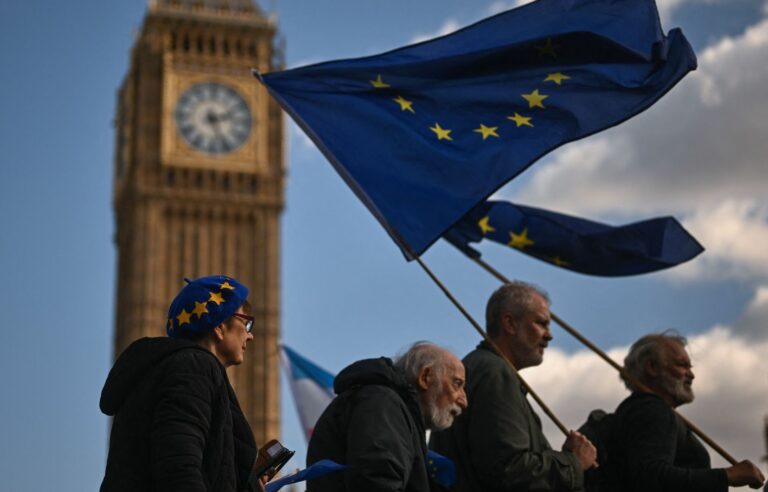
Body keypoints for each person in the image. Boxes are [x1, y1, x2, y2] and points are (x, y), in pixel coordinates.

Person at [100, 275, 265, 491]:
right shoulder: (194, 368)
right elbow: (179, 466)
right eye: (246, 323)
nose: (250, 335)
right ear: (219, 327)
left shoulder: (177, 369)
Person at [430, 281, 597, 491]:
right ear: (509, 323)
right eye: (541, 323)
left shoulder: (480, 369)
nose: (549, 335)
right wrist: (573, 463)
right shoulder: (494, 374)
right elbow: (508, 469)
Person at [608, 332, 765, 491]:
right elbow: (651, 477)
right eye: (681, 365)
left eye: (690, 367)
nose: (691, 375)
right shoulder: (651, 409)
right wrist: (728, 475)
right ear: (652, 367)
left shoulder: (641, 409)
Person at [306, 341, 468, 492]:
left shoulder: (389, 407)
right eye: (457, 384)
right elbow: (377, 483)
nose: (464, 400)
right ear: (425, 377)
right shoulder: (382, 404)